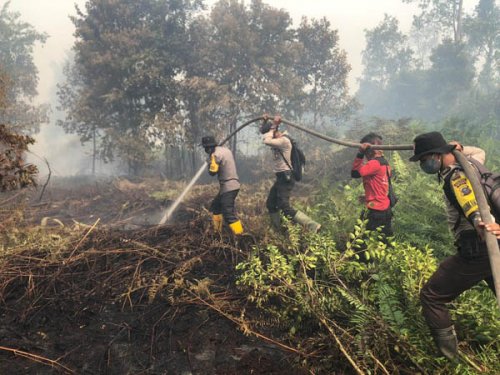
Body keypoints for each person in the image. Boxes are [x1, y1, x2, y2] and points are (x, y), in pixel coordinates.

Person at [409, 131, 496, 360]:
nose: (422, 165)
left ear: (435, 156)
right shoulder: (468, 163)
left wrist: (483, 224)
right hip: (490, 249)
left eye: (422, 160)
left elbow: (474, 210)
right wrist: (457, 149)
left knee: (431, 295)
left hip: (477, 250)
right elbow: (479, 152)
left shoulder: (455, 177)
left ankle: (451, 361)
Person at [260, 115, 321, 233]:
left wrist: (273, 126)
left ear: (275, 131)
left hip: (286, 177)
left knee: (285, 207)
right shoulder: (278, 139)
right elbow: (265, 136)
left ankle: (312, 225)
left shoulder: (284, 140)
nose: (268, 135)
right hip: (280, 177)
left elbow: (266, 140)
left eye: (270, 132)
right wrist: (265, 121)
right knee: (271, 203)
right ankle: (278, 231)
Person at [351, 133, 394, 239]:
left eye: (365, 151)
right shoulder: (385, 163)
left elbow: (355, 173)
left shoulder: (374, 163)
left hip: (374, 211)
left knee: (358, 240)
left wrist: (360, 153)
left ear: (371, 150)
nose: (365, 155)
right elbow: (380, 186)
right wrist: (368, 196)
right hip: (385, 209)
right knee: (384, 240)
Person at [201, 135, 243, 236]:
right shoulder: (225, 150)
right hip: (232, 185)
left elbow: (212, 172)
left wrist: (210, 163)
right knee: (216, 206)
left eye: (205, 148)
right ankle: (217, 233)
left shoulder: (215, 155)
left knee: (228, 213)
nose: (205, 150)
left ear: (208, 148)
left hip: (228, 187)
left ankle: (240, 235)